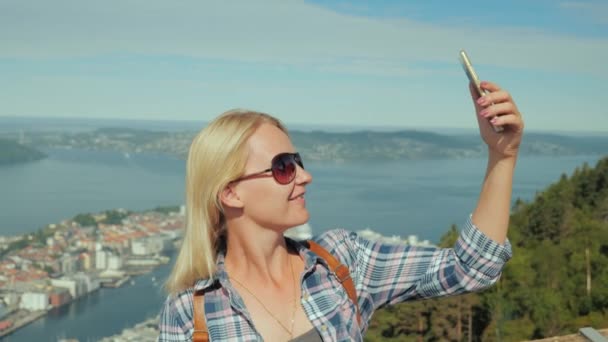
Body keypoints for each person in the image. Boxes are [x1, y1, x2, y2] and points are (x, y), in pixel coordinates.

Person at [158, 80, 524, 341]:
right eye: (284, 167)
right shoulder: (190, 313)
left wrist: (502, 156)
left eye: (297, 162)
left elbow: (473, 267)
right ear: (231, 193)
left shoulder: (341, 262)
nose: (305, 176)